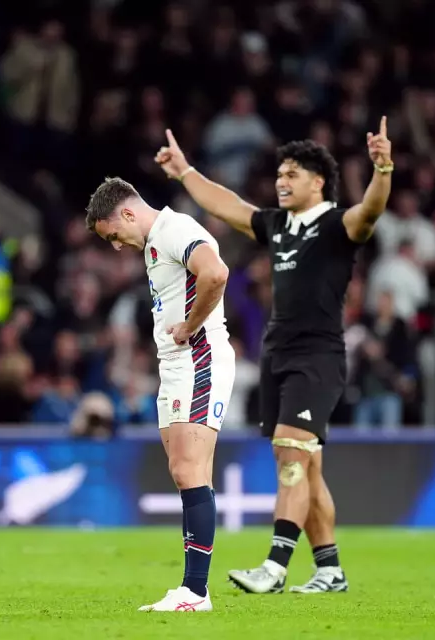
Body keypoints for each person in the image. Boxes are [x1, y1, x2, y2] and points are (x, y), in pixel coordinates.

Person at [154, 118, 393, 593]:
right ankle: (329, 570)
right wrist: (185, 172)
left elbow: (370, 210)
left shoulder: (337, 224)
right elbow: (228, 206)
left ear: (317, 181)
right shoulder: (277, 225)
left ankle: (276, 566)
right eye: (279, 174)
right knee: (308, 464)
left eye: (292, 175)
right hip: (277, 354)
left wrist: (382, 169)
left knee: (291, 452)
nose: (281, 182)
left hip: (318, 356)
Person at [86, 177, 235, 612]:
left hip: (199, 360)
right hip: (175, 367)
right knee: (183, 470)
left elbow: (217, 273)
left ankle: (195, 591)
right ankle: (191, 588)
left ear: (128, 213)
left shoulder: (176, 230)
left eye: (114, 235)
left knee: (190, 470)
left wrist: (189, 326)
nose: (116, 246)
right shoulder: (155, 243)